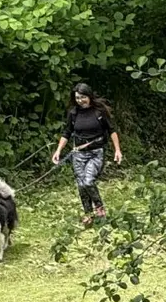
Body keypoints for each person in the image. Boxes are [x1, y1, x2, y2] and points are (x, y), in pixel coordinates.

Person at [51, 82, 123, 225]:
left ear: (89, 96)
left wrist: (117, 150)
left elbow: (112, 130)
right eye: (77, 98)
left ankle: (99, 207)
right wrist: (58, 150)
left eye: (83, 97)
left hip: (96, 153)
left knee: (89, 181)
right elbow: (67, 132)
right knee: (81, 185)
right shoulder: (73, 113)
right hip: (78, 154)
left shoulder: (99, 111)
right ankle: (88, 214)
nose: (80, 100)